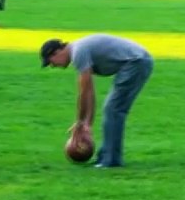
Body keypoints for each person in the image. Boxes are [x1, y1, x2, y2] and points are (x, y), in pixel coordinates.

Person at [40, 35, 155, 168]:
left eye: (51, 62)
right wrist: (87, 124)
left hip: (137, 62)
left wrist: (80, 123)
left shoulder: (78, 52)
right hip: (135, 62)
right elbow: (89, 92)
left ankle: (111, 160)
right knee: (112, 109)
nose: (53, 66)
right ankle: (105, 157)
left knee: (113, 109)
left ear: (57, 52)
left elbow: (84, 92)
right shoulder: (78, 50)